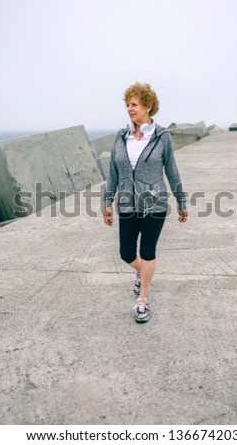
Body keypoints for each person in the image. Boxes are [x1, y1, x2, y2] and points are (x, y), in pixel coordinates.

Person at [103, 82, 188, 323]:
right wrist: (108, 202)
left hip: (155, 204)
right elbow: (113, 173)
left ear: (148, 106)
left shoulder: (162, 137)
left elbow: (171, 170)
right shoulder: (121, 138)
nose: (129, 109)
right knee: (126, 253)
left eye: (134, 104)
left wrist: (181, 200)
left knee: (147, 251)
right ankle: (144, 273)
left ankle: (142, 300)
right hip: (127, 204)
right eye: (127, 104)